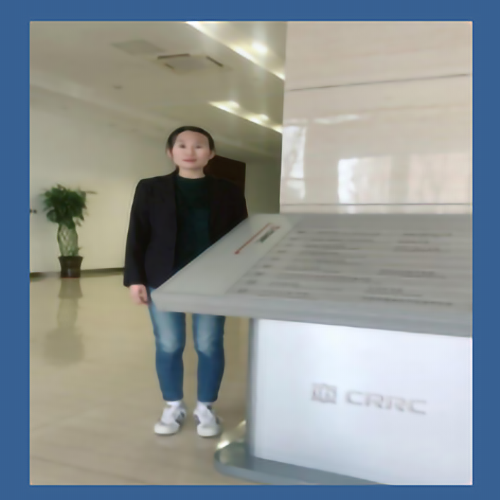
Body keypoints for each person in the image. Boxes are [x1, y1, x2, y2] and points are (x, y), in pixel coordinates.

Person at [124, 126, 248, 437]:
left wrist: (240, 278)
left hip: (213, 280)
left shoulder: (228, 190)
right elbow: (137, 233)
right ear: (170, 152)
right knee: (168, 343)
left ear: (211, 153)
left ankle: (206, 407)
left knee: (209, 343)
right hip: (162, 277)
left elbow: (241, 237)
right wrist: (135, 279)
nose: (190, 151)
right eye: (182, 145)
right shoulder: (150, 188)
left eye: (199, 145)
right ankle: (173, 405)